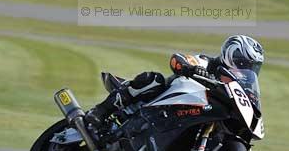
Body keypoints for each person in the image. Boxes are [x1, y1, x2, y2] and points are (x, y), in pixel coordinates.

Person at [85, 34, 264, 132]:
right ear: (231, 55)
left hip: (191, 117)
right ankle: (101, 111)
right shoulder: (207, 62)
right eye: (243, 63)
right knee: (154, 80)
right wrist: (190, 68)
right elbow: (177, 59)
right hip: (162, 104)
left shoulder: (236, 87)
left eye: (251, 67)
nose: (245, 69)